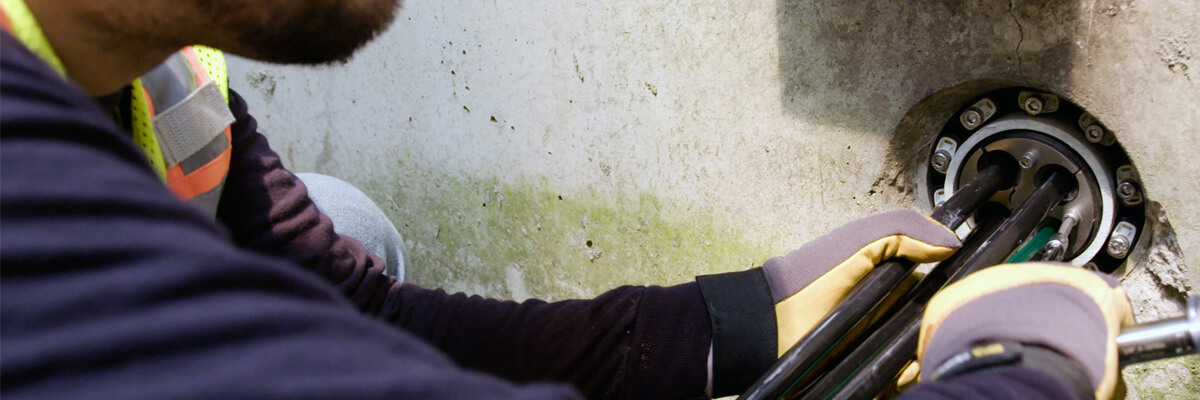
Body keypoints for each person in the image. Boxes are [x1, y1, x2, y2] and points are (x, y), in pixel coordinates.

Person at [0, 0, 1134, 399]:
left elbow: (354, 311)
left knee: (350, 224)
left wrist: (731, 319)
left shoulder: (153, 72)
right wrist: (1019, 378)